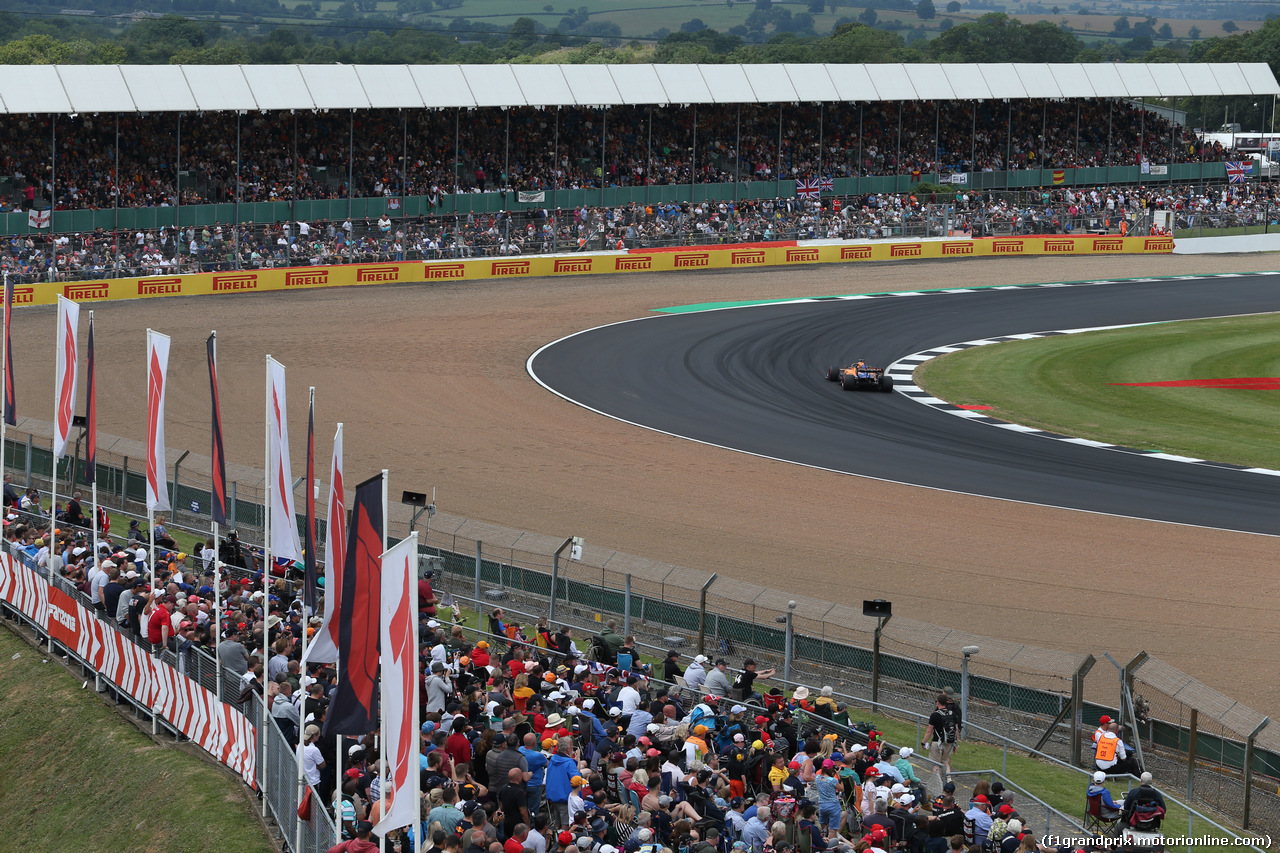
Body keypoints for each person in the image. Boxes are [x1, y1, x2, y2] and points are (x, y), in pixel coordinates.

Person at [922, 694, 958, 792]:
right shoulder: (952, 714)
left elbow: (929, 731)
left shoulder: (935, 715)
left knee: (936, 763)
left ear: (938, 702)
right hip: (949, 742)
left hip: (937, 742)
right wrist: (955, 743)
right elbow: (956, 729)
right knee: (945, 761)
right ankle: (949, 780)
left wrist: (923, 742)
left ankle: (938, 784)